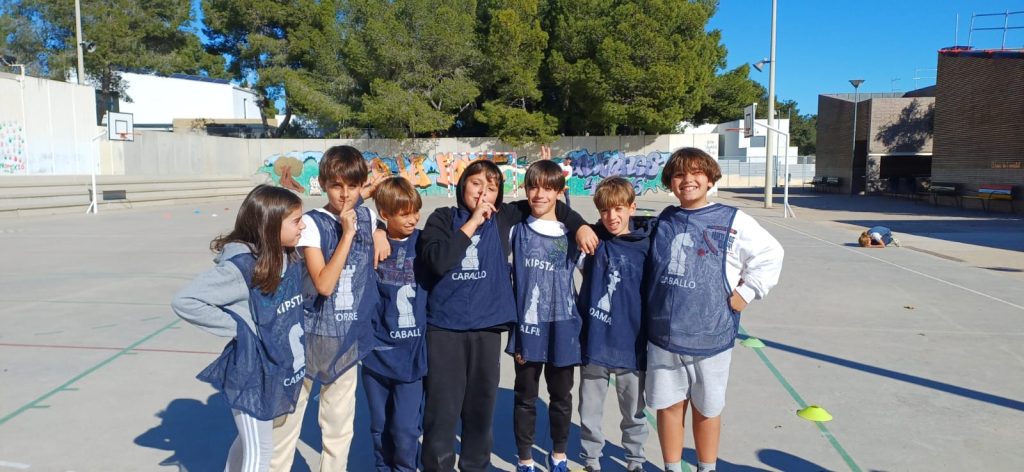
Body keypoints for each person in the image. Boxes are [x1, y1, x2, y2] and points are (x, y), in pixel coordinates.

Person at [416, 159, 597, 472]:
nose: (483, 192)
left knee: (479, 412)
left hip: (487, 329)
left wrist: (580, 225)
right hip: (445, 329)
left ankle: (475, 467)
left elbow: (545, 201)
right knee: (442, 411)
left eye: (491, 187)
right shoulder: (442, 218)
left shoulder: (504, 217)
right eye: (476, 184)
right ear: (463, 185)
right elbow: (437, 261)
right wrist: (473, 222)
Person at [644, 148, 784, 472]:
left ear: (710, 179)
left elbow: (770, 253)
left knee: (707, 409)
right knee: (668, 406)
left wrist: (747, 291)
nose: (687, 180)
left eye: (696, 172)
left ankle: (706, 468)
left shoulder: (733, 219)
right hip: (664, 337)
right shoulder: (664, 220)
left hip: (711, 338)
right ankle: (671, 467)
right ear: (670, 182)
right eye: (679, 174)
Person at [172, 185, 308, 472]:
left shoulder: (287, 255)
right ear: (271, 225)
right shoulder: (240, 267)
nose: (303, 225)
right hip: (250, 373)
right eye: (296, 220)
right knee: (261, 451)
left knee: (250, 444)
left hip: (273, 369)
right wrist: (241, 327)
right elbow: (185, 301)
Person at [271, 145, 382, 472]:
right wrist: (348, 235)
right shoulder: (311, 223)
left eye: (353, 186)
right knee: (286, 423)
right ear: (322, 184)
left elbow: (372, 211)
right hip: (308, 337)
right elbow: (323, 284)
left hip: (345, 339)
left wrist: (380, 232)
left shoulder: (368, 216)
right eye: (336, 186)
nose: (345, 194)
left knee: (339, 426)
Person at [505, 160, 584, 472]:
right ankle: (525, 459)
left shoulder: (573, 233)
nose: (540, 194)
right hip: (528, 327)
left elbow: (593, 273)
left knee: (561, 397)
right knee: (525, 396)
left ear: (559, 192)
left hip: (563, 327)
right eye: (533, 187)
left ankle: (559, 456)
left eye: (548, 188)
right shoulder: (516, 229)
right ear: (525, 190)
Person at [576, 177, 652, 472]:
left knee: (634, 411)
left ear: (632, 207)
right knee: (590, 408)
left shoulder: (647, 244)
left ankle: (635, 459)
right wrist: (580, 227)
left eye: (619, 209)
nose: (612, 217)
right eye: (605, 210)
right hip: (595, 341)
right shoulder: (592, 239)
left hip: (631, 343)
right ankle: (591, 459)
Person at [362, 177, 429, 472]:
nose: (413, 219)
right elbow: (341, 217)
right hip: (376, 355)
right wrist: (377, 230)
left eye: (415, 211)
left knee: (405, 430)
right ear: (385, 214)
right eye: (404, 214)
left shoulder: (425, 242)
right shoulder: (369, 243)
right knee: (379, 427)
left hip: (411, 358)